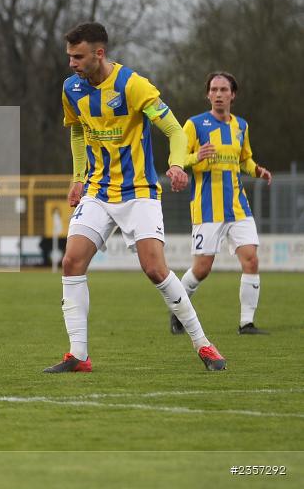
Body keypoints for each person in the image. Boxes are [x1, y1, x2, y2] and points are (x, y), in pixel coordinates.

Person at [50, 22, 226, 373]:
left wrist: (177, 164)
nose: (71, 63)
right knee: (71, 262)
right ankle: (78, 356)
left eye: (78, 56)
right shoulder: (71, 88)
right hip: (99, 191)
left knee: (155, 269)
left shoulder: (133, 85)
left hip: (139, 193)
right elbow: (78, 133)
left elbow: (174, 130)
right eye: (69, 56)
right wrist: (77, 179)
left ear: (98, 54)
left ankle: (204, 346)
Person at [173, 71, 272, 335]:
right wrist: (196, 157)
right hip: (207, 208)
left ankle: (246, 323)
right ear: (207, 94)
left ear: (233, 95)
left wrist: (257, 170)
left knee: (251, 260)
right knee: (202, 269)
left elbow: (244, 159)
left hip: (238, 206)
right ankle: (177, 310)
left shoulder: (241, 126)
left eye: (223, 90)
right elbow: (178, 159)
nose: (218, 94)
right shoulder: (194, 125)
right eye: (214, 90)